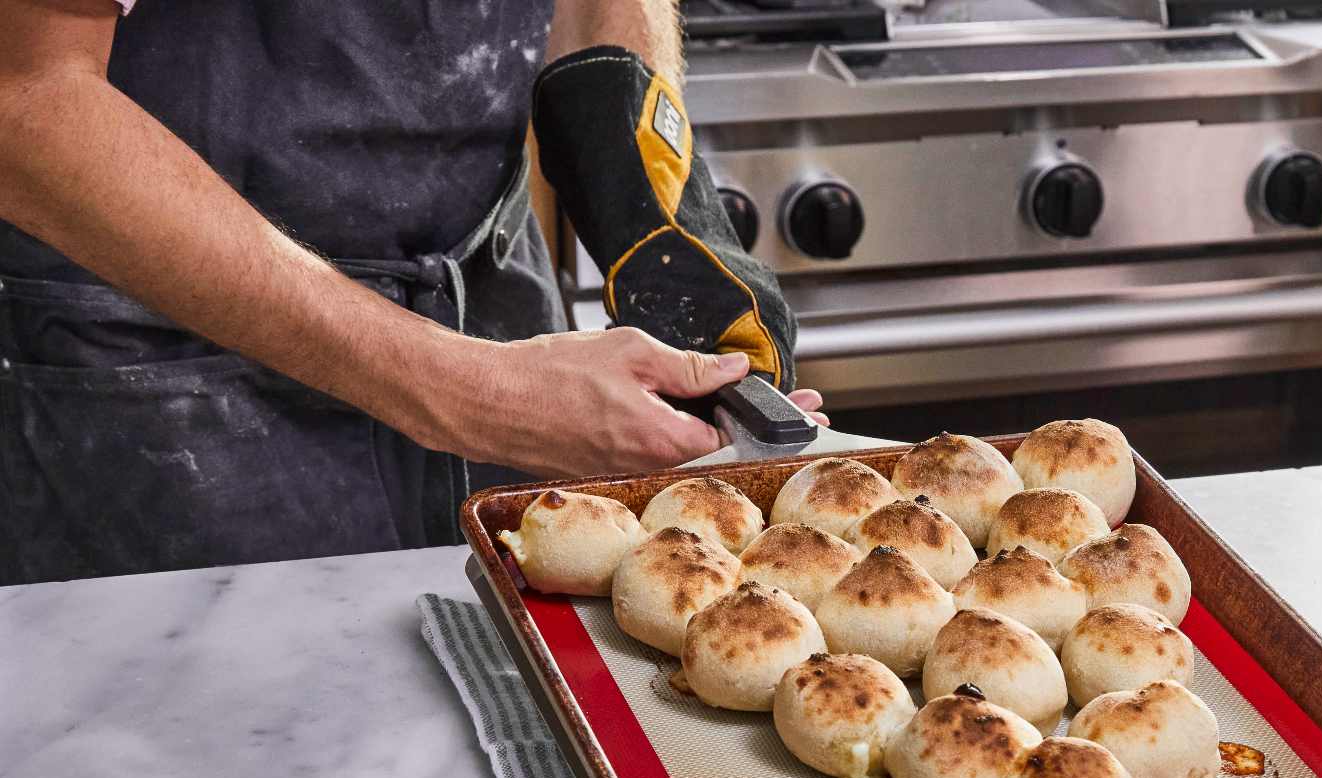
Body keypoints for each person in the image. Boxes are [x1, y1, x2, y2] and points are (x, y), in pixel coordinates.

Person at [0, 0, 821, 585]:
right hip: (169, 382)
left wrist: (661, 224)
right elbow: (23, 95)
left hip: (494, 311)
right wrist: (467, 390)